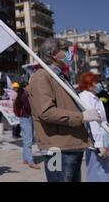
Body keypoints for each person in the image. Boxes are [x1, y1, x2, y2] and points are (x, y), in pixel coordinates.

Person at [28, 38, 99, 182]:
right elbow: (46, 112)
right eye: (66, 50)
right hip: (57, 148)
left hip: (71, 144)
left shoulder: (59, 76)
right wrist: (81, 117)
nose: (70, 54)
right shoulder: (42, 76)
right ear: (54, 54)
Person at [78, 72, 109, 181]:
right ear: (89, 84)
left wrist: (108, 141)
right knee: (97, 171)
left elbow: (103, 121)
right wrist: (99, 145)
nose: (99, 84)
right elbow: (92, 122)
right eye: (96, 82)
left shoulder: (94, 97)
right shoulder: (85, 97)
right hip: (96, 142)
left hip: (104, 138)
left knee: (105, 169)